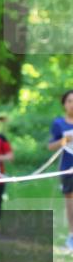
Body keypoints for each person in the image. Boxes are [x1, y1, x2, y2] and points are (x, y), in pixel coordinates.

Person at [48, 90, 73, 250]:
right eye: (69, 101)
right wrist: (64, 140)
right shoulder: (59, 123)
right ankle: (72, 236)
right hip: (67, 169)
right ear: (64, 104)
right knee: (70, 203)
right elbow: (51, 146)